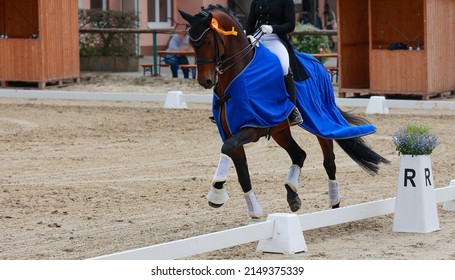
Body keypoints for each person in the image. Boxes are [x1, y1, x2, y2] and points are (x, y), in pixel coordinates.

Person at [245, 0, 305, 126]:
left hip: (275, 38)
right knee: (239, 63)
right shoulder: (256, 1)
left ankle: (292, 110)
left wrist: (273, 28)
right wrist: (245, 35)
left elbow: (290, 25)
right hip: (257, 37)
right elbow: (250, 24)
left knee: (283, 66)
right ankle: (230, 104)